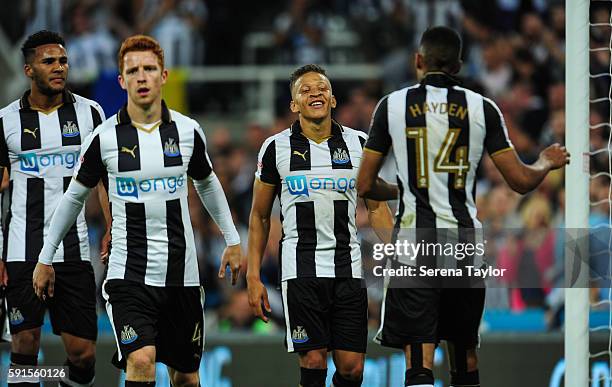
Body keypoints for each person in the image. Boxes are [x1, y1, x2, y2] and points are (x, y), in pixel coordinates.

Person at [356, 26, 570, 387]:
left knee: (419, 356)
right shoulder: (482, 108)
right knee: (464, 350)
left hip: (415, 241)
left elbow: (364, 185)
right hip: (463, 242)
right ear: (458, 65)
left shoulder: (392, 105)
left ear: (418, 61)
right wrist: (545, 162)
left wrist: (405, 188)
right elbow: (520, 181)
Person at [32, 35, 242, 387]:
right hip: (128, 275)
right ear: (121, 80)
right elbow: (74, 198)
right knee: (142, 360)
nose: (141, 77)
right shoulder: (105, 138)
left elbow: (207, 184)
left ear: (164, 76)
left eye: (149, 69)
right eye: (133, 70)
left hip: (182, 276)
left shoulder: (188, 132)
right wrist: (45, 256)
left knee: (186, 378)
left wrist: (233, 239)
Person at [247, 64, 394, 387]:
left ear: (333, 99)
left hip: (348, 268)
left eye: (322, 88)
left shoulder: (359, 144)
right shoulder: (276, 148)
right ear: (294, 105)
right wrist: (253, 274)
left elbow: (376, 207)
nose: (315, 92)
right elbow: (259, 216)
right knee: (313, 360)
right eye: (305, 90)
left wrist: (400, 253)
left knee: (351, 368)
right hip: (300, 270)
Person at [0, 30, 110, 387]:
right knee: (25, 344)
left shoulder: (90, 114)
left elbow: (106, 180)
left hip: (73, 249)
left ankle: (56, 381)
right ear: (29, 69)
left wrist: (111, 227)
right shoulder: (5, 121)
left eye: (63, 60)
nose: (59, 67)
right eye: (49, 61)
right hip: (21, 248)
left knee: (83, 356)